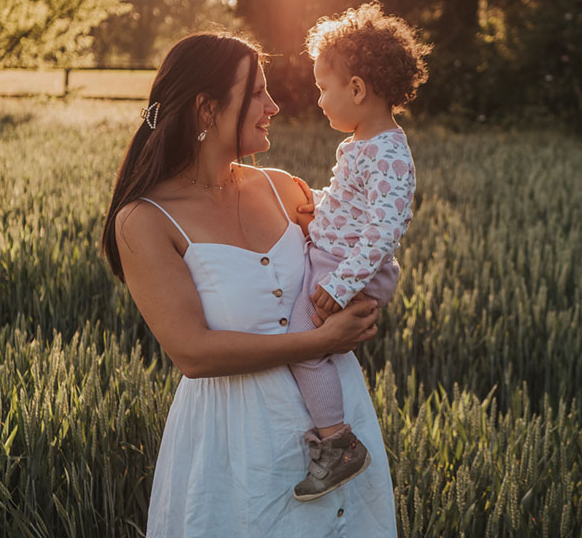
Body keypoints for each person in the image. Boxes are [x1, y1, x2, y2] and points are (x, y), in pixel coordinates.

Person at [101, 31, 397, 536]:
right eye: (257, 92)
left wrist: (359, 300)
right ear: (207, 109)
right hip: (237, 443)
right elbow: (192, 353)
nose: (273, 105)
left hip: (342, 430)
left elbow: (354, 256)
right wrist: (321, 340)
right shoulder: (144, 221)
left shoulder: (284, 188)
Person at [286, 2, 431, 501]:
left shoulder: (389, 152)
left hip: (350, 270)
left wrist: (340, 283)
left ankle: (337, 444)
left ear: (356, 89)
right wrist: (318, 208)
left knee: (305, 347)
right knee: (305, 342)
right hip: (338, 259)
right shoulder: (362, 145)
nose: (319, 99)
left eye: (324, 88)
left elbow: (384, 230)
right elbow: (353, 206)